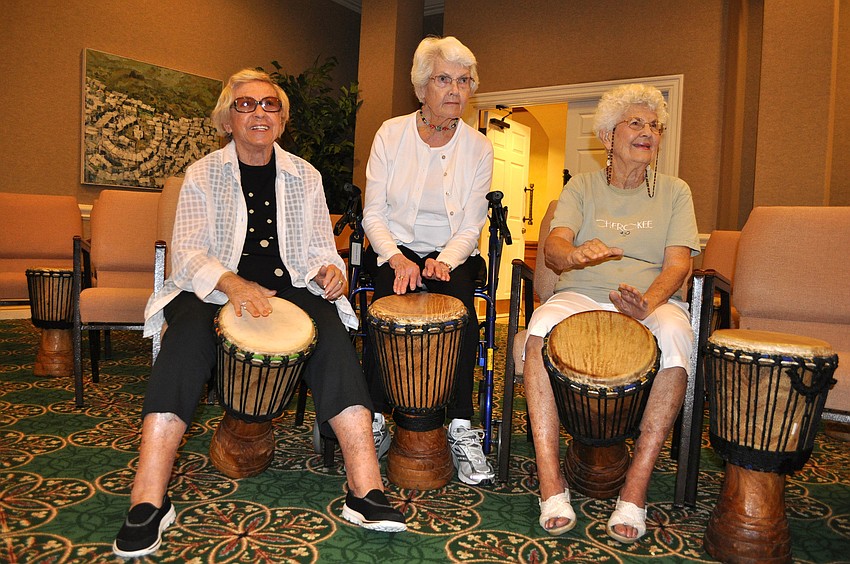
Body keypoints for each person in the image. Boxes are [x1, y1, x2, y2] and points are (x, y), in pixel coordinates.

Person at [112, 69, 405, 559]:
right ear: (227, 119)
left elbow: (318, 249)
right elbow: (186, 253)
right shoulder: (203, 173)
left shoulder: (305, 175)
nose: (259, 113)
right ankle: (148, 498)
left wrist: (332, 271)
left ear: (282, 120)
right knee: (184, 341)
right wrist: (232, 284)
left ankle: (365, 489)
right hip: (211, 286)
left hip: (291, 283)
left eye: (269, 105)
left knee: (330, 333)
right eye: (245, 105)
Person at [523, 84, 699, 542]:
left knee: (680, 339)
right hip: (582, 293)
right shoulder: (580, 186)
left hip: (651, 300)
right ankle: (550, 484)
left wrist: (649, 303)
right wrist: (577, 255)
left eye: (655, 125)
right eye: (636, 123)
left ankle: (635, 490)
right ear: (608, 135)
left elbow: (679, 264)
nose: (648, 132)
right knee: (538, 330)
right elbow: (555, 249)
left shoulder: (676, 192)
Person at [361, 36, 495, 486]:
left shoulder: (478, 147)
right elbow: (373, 212)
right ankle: (378, 415)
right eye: (444, 79)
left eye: (463, 80)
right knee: (382, 311)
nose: (455, 89)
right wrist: (397, 259)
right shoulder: (390, 134)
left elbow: (472, 223)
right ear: (422, 88)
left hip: (452, 254)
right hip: (394, 247)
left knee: (460, 317)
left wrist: (447, 261)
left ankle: (459, 424)